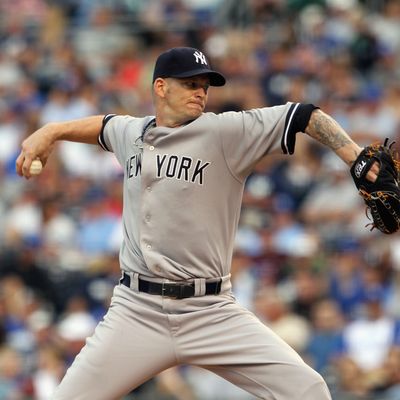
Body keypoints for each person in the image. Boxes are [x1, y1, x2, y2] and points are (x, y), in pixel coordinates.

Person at [16, 47, 378, 400]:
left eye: (204, 85)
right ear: (161, 87)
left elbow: (303, 115)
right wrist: (52, 130)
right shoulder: (132, 133)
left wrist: (355, 157)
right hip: (136, 311)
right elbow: (103, 126)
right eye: (190, 84)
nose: (200, 92)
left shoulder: (226, 132)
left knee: (309, 389)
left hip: (210, 311)